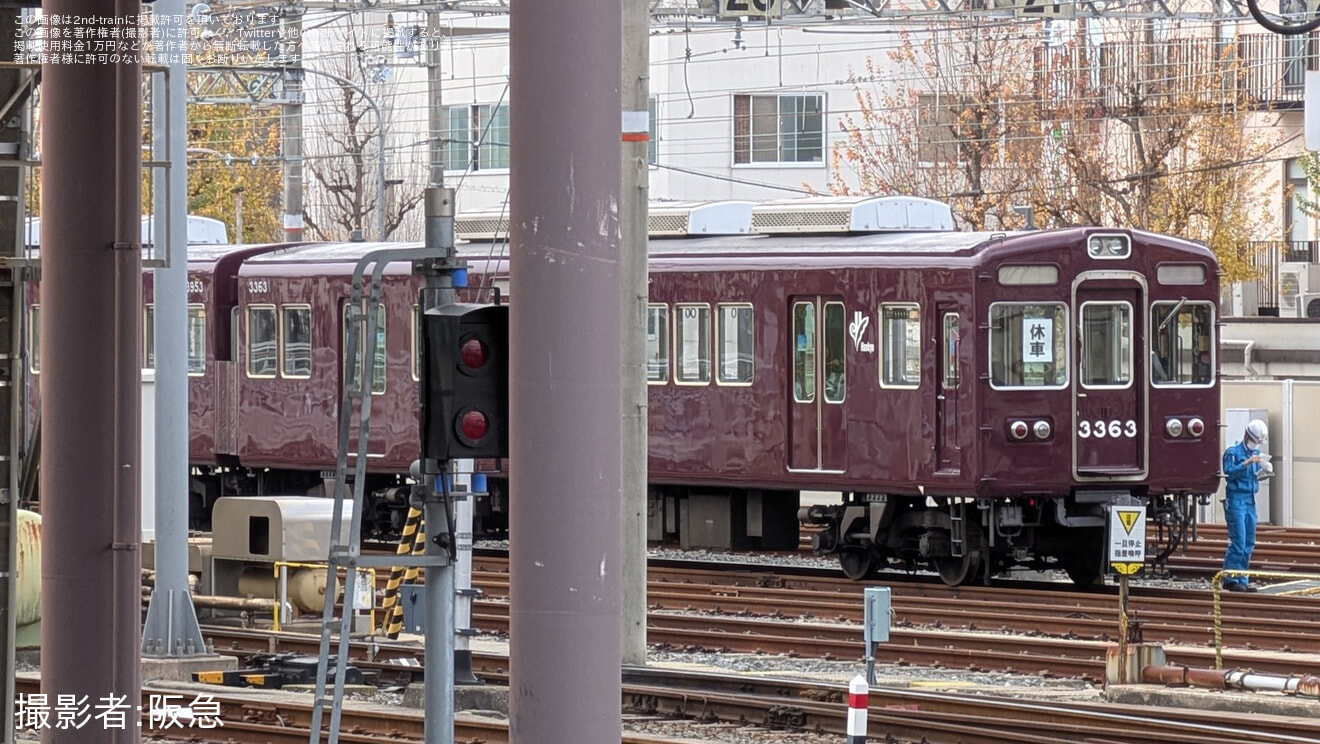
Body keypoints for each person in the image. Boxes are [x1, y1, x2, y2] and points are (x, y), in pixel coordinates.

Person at [1221, 419, 1268, 592]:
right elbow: (1229, 473)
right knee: (1238, 541)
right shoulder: (1233, 452)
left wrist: (1264, 471)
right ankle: (1230, 579)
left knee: (1249, 542)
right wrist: (1246, 463)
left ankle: (1243, 579)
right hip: (1236, 500)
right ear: (1246, 435)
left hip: (1250, 500)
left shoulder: (1256, 453)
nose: (1255, 444)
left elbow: (1254, 478)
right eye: (1254, 440)